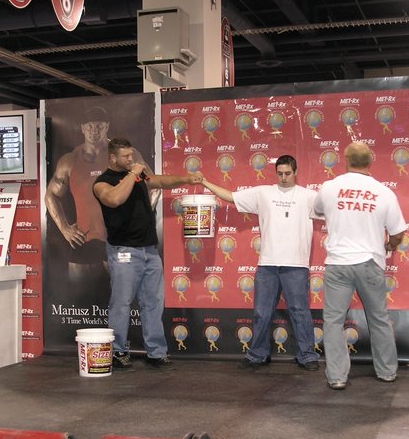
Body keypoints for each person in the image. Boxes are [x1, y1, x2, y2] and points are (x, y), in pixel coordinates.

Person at [93, 137, 203, 370]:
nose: (131, 159)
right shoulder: (102, 182)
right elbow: (115, 199)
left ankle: (156, 352)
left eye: (131, 155)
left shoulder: (138, 175)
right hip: (124, 252)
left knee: (153, 303)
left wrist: (185, 178)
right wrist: (133, 174)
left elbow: (160, 181)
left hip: (150, 251)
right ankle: (117, 352)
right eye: (125, 156)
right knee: (121, 303)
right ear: (112, 158)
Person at [201, 154, 320, 371]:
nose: (283, 177)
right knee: (262, 313)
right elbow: (230, 197)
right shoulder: (263, 193)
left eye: (288, 173)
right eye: (280, 173)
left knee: (300, 311)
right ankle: (257, 355)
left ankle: (307, 355)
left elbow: (336, 211)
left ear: (296, 172)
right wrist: (204, 182)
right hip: (268, 264)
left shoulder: (310, 196)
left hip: (296, 264)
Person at [313, 142, 409, 390]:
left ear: (345, 159)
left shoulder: (329, 187)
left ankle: (337, 376)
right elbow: (398, 232)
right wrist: (390, 245)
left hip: (338, 264)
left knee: (333, 321)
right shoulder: (384, 192)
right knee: (378, 318)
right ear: (371, 161)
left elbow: (317, 210)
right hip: (370, 262)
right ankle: (387, 372)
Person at [46, 106, 112, 283]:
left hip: (116, 239)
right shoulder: (70, 160)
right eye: (89, 126)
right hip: (84, 238)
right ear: (83, 128)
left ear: (107, 126)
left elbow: (152, 187)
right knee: (79, 294)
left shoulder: (122, 155)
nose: (94, 131)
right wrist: (64, 228)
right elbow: (50, 195)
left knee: (124, 295)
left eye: (99, 126)